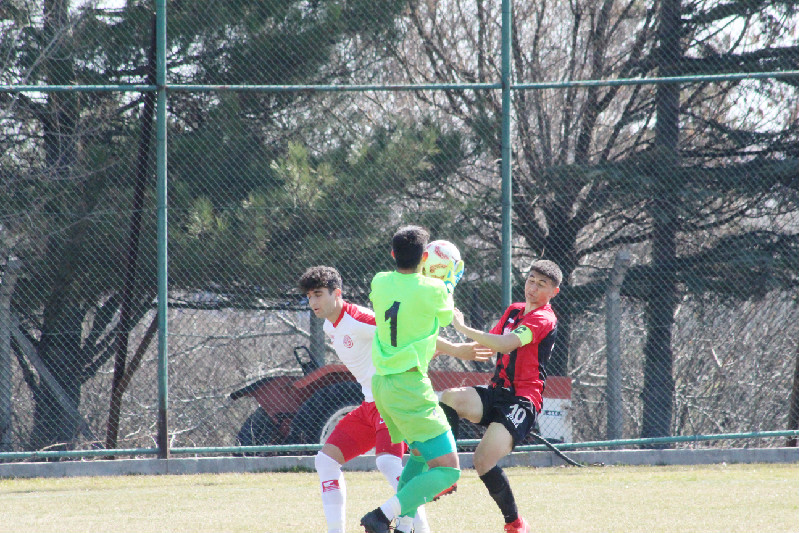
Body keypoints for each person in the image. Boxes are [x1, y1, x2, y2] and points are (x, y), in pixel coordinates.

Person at [299, 265, 484, 533]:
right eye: (309, 297)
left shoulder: (360, 319)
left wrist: (455, 349)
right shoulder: (330, 325)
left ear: (336, 293)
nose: (313, 302)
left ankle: (417, 528)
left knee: (388, 463)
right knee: (325, 461)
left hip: (391, 401)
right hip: (369, 405)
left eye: (318, 294)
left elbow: (405, 334)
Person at [443, 259, 562, 533]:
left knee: (483, 460)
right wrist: (446, 348)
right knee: (450, 397)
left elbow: (505, 344)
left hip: (523, 401)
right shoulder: (514, 310)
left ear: (553, 292)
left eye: (541, 284)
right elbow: (485, 345)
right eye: (531, 280)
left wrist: (461, 327)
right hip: (497, 392)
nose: (532, 287)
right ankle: (445, 470)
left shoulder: (544, 318)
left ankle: (515, 523)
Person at [360, 225, 463, 533]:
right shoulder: (433, 291)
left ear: (393, 254)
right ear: (423, 258)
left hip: (384, 385)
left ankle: (404, 528)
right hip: (410, 388)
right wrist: (447, 281)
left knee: (418, 458)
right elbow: (449, 317)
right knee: (448, 472)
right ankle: (381, 515)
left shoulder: (379, 281)